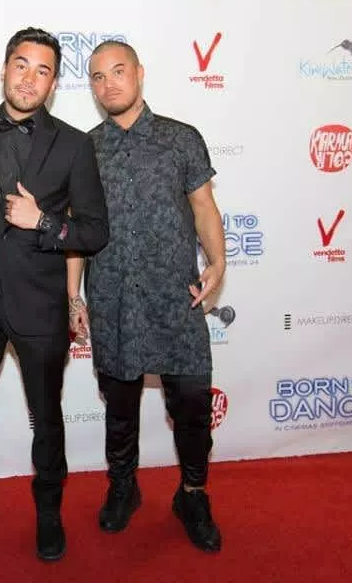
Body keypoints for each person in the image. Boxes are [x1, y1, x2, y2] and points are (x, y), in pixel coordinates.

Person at [0, 28, 110, 561]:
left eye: (42, 70)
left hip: (39, 303)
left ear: (54, 83)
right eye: (21, 65)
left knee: (46, 414)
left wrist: (44, 222)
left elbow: (94, 231)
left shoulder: (75, 144)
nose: (29, 78)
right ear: (4, 69)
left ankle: (49, 510)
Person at [67, 40, 226, 552]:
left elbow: (203, 206)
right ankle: (123, 486)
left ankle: (193, 494)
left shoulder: (182, 138)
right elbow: (76, 230)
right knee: (119, 405)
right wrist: (74, 296)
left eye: (118, 71)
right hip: (113, 297)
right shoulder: (84, 149)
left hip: (177, 296)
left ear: (139, 73)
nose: (108, 84)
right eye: (97, 76)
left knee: (192, 404)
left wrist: (218, 261)